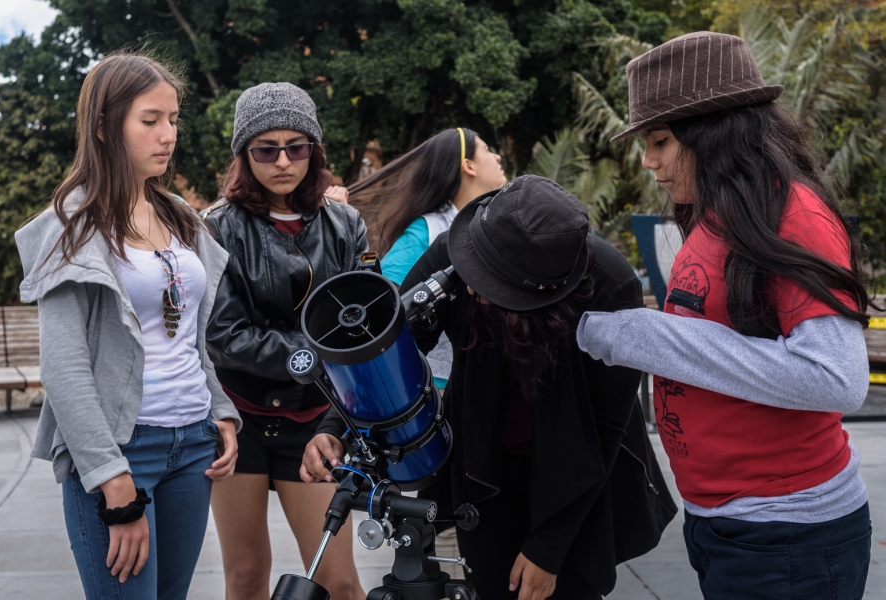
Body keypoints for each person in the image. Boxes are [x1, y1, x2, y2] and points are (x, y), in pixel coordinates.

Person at [576, 32, 874, 599]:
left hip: (790, 535)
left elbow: (837, 376)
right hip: (724, 522)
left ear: (714, 132)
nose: (649, 161)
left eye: (660, 141)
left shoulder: (792, 215)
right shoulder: (716, 213)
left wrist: (646, 337)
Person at [303, 175, 677, 599]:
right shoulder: (455, 252)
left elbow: (608, 429)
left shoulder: (612, 284)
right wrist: (334, 425)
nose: (474, 290)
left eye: (493, 286)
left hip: (576, 470)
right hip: (484, 467)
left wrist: (550, 548)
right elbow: (391, 349)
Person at [15, 53, 241, 599]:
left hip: (192, 445)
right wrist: (114, 482)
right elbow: (64, 369)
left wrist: (221, 411)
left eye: (173, 119)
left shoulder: (181, 217)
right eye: (150, 120)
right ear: (103, 125)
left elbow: (189, 334)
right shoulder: (70, 229)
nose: (168, 134)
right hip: (121, 451)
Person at [203, 82, 366, 600]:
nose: (282, 161)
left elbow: (364, 321)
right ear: (243, 155)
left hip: (315, 423)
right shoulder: (216, 229)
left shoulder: (346, 224)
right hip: (240, 422)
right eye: (264, 149)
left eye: (295, 147)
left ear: (314, 151)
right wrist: (317, 353)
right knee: (246, 576)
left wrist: (329, 394)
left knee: (338, 582)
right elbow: (225, 336)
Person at [348, 127, 507, 391]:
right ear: (468, 165)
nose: (497, 158)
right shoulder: (428, 231)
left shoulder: (487, 223)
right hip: (435, 385)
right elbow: (382, 304)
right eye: (488, 151)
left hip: (479, 381)